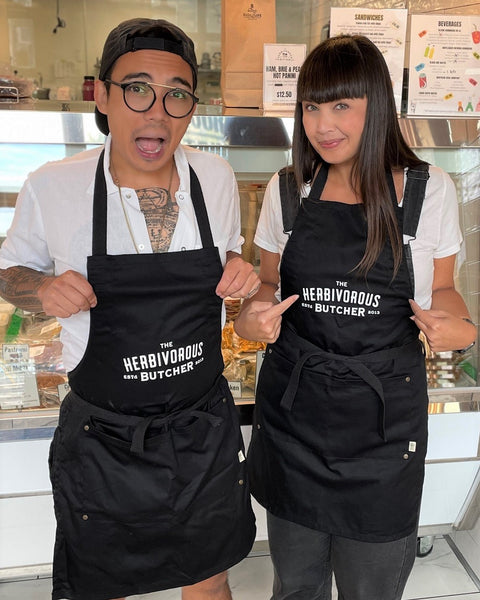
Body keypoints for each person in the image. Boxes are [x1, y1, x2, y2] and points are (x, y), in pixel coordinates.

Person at [0, 18, 259, 600]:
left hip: (202, 430)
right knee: (100, 582)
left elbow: (230, 259)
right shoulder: (53, 185)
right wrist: (39, 291)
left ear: (192, 106)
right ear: (102, 94)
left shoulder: (214, 177)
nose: (157, 111)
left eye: (177, 95)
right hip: (105, 438)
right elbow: (8, 273)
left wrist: (242, 271)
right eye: (137, 88)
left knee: (210, 579)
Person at [234, 34, 477, 600]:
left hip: (382, 426)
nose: (322, 124)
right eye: (312, 106)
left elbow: (445, 290)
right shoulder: (289, 188)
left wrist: (458, 329)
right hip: (295, 417)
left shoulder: (428, 190)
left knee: (373, 588)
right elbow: (268, 281)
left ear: (377, 103)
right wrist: (253, 318)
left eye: (341, 104)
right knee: (296, 584)